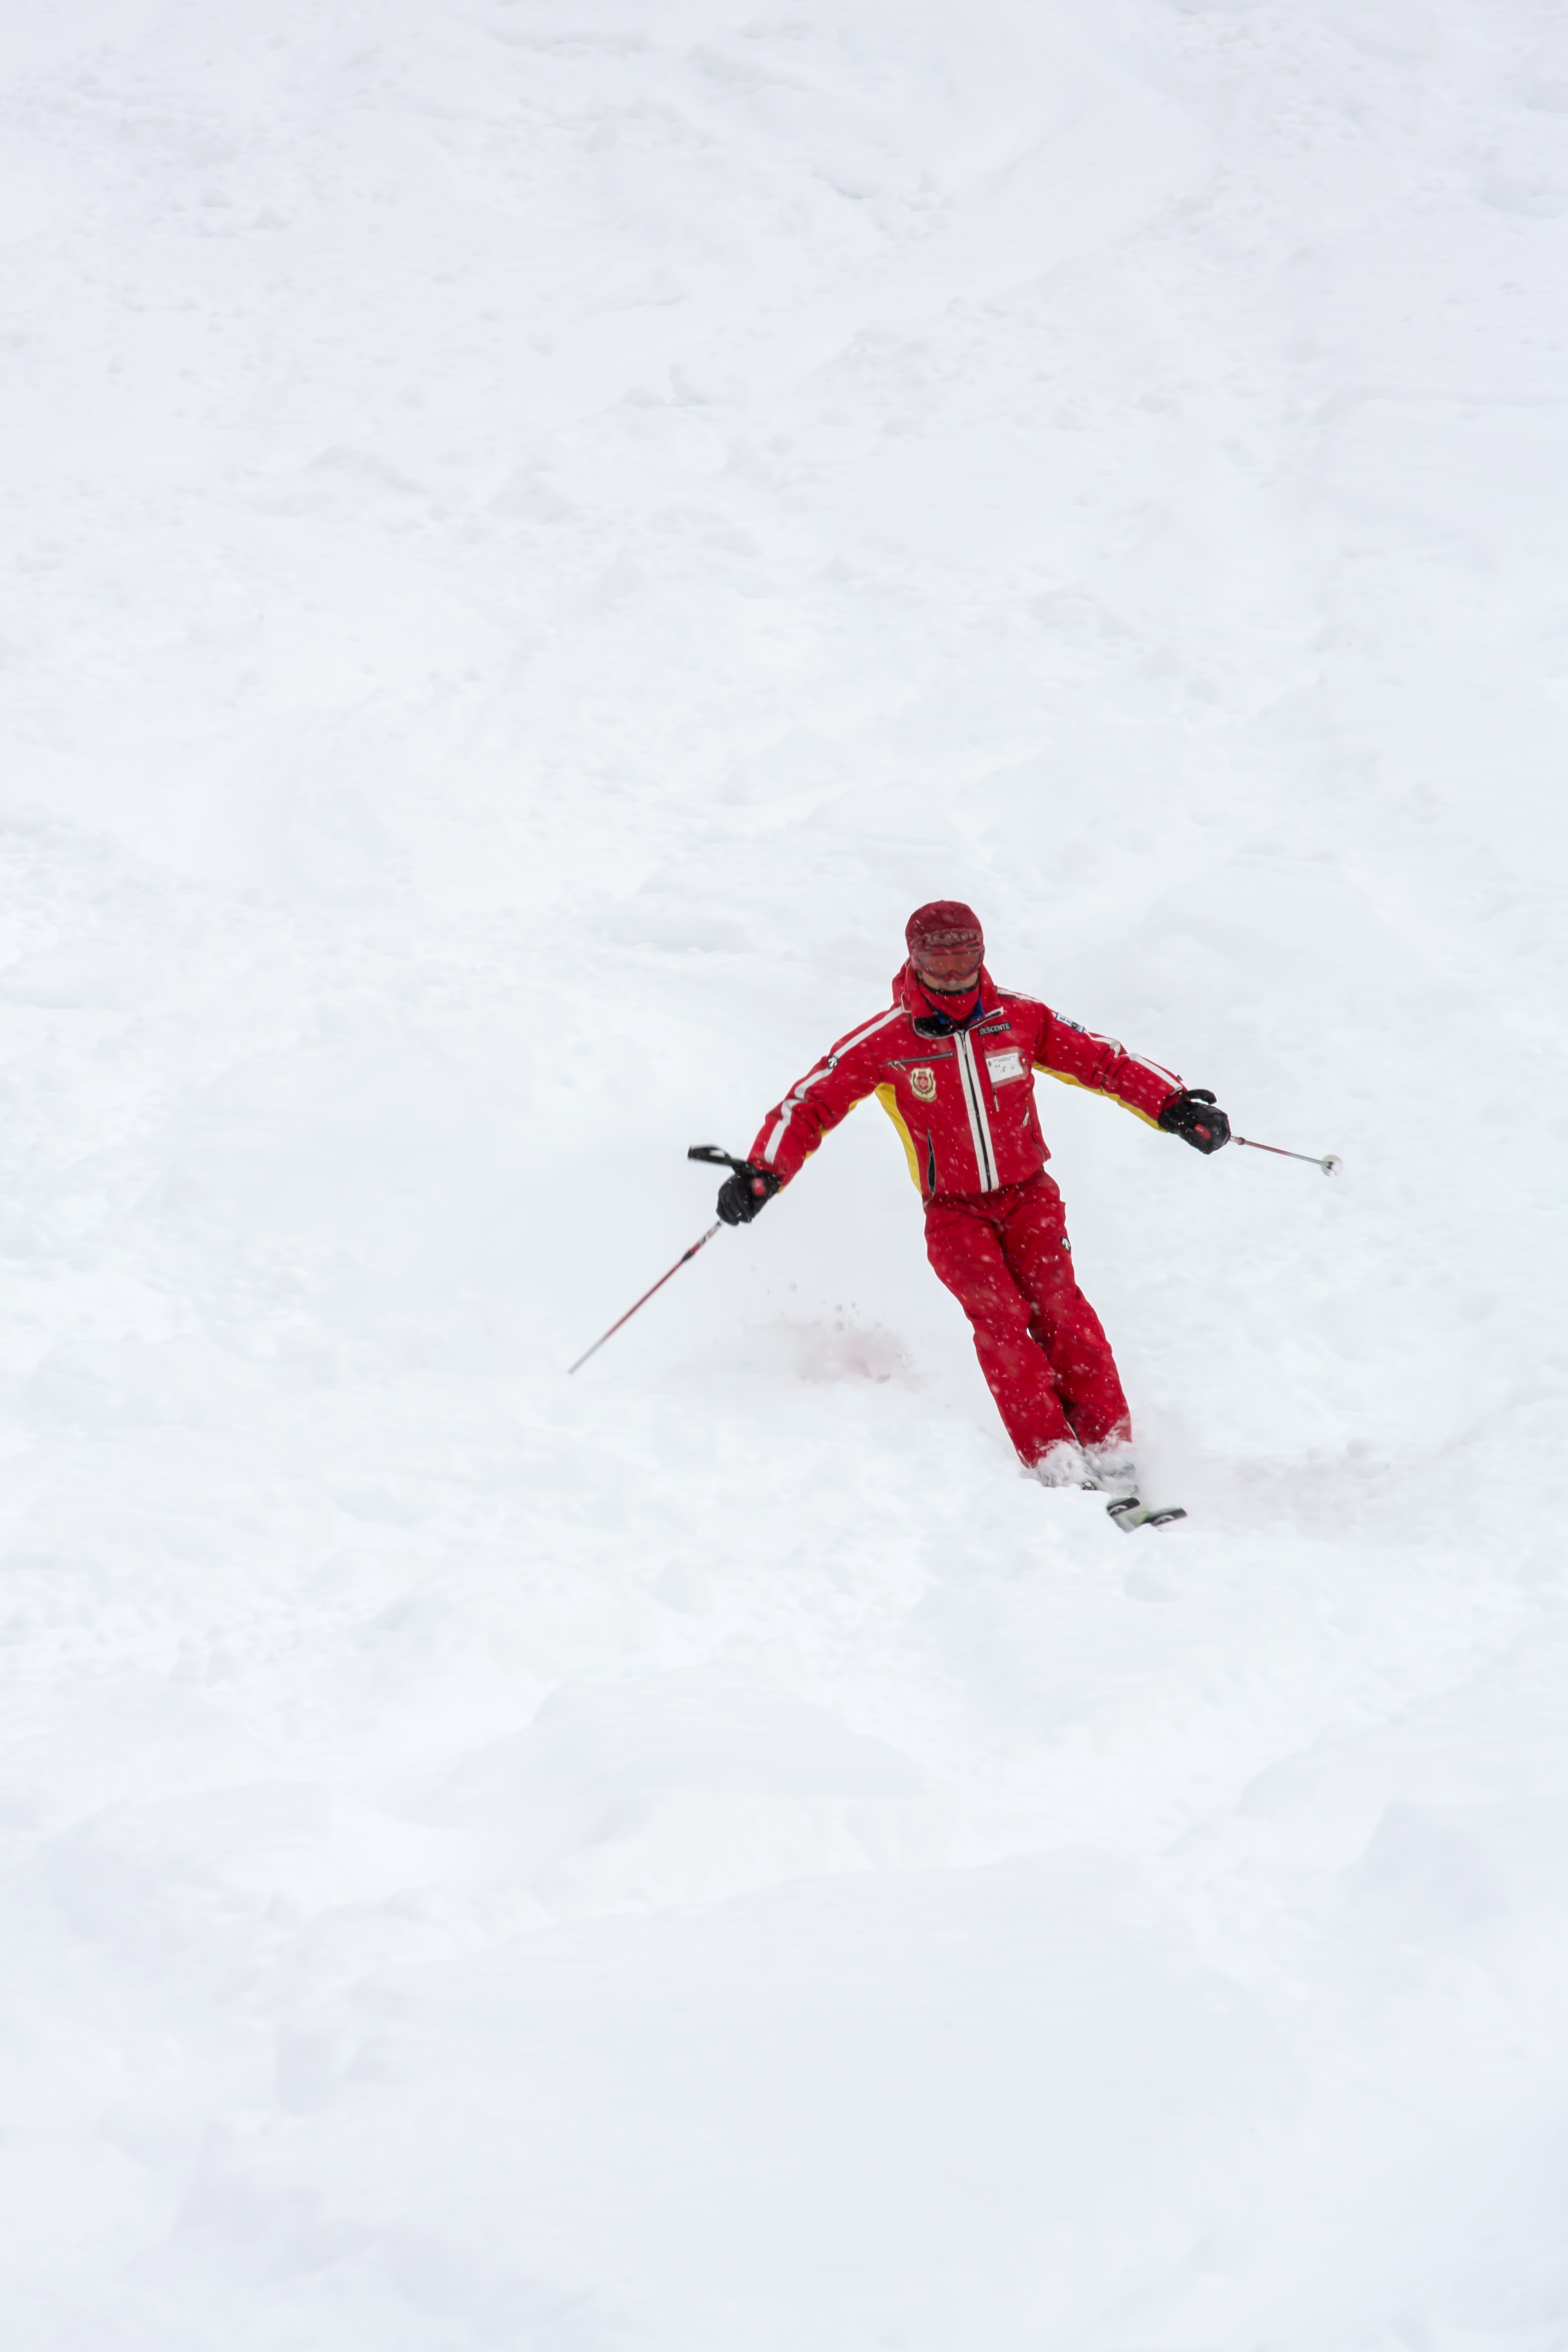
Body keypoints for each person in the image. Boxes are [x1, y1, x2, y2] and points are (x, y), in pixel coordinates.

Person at [712, 900, 1229, 1519]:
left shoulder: (1019, 1017)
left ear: (983, 953)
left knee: (1063, 1311)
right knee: (1003, 1320)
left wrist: (1174, 1105)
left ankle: (1112, 1449)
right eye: (939, 956)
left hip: (1030, 1194)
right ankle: (1055, 1459)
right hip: (955, 1212)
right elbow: (810, 1104)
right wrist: (764, 1172)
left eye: (966, 954)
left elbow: (1102, 1061)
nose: (954, 971)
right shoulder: (886, 1041)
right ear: (915, 958)